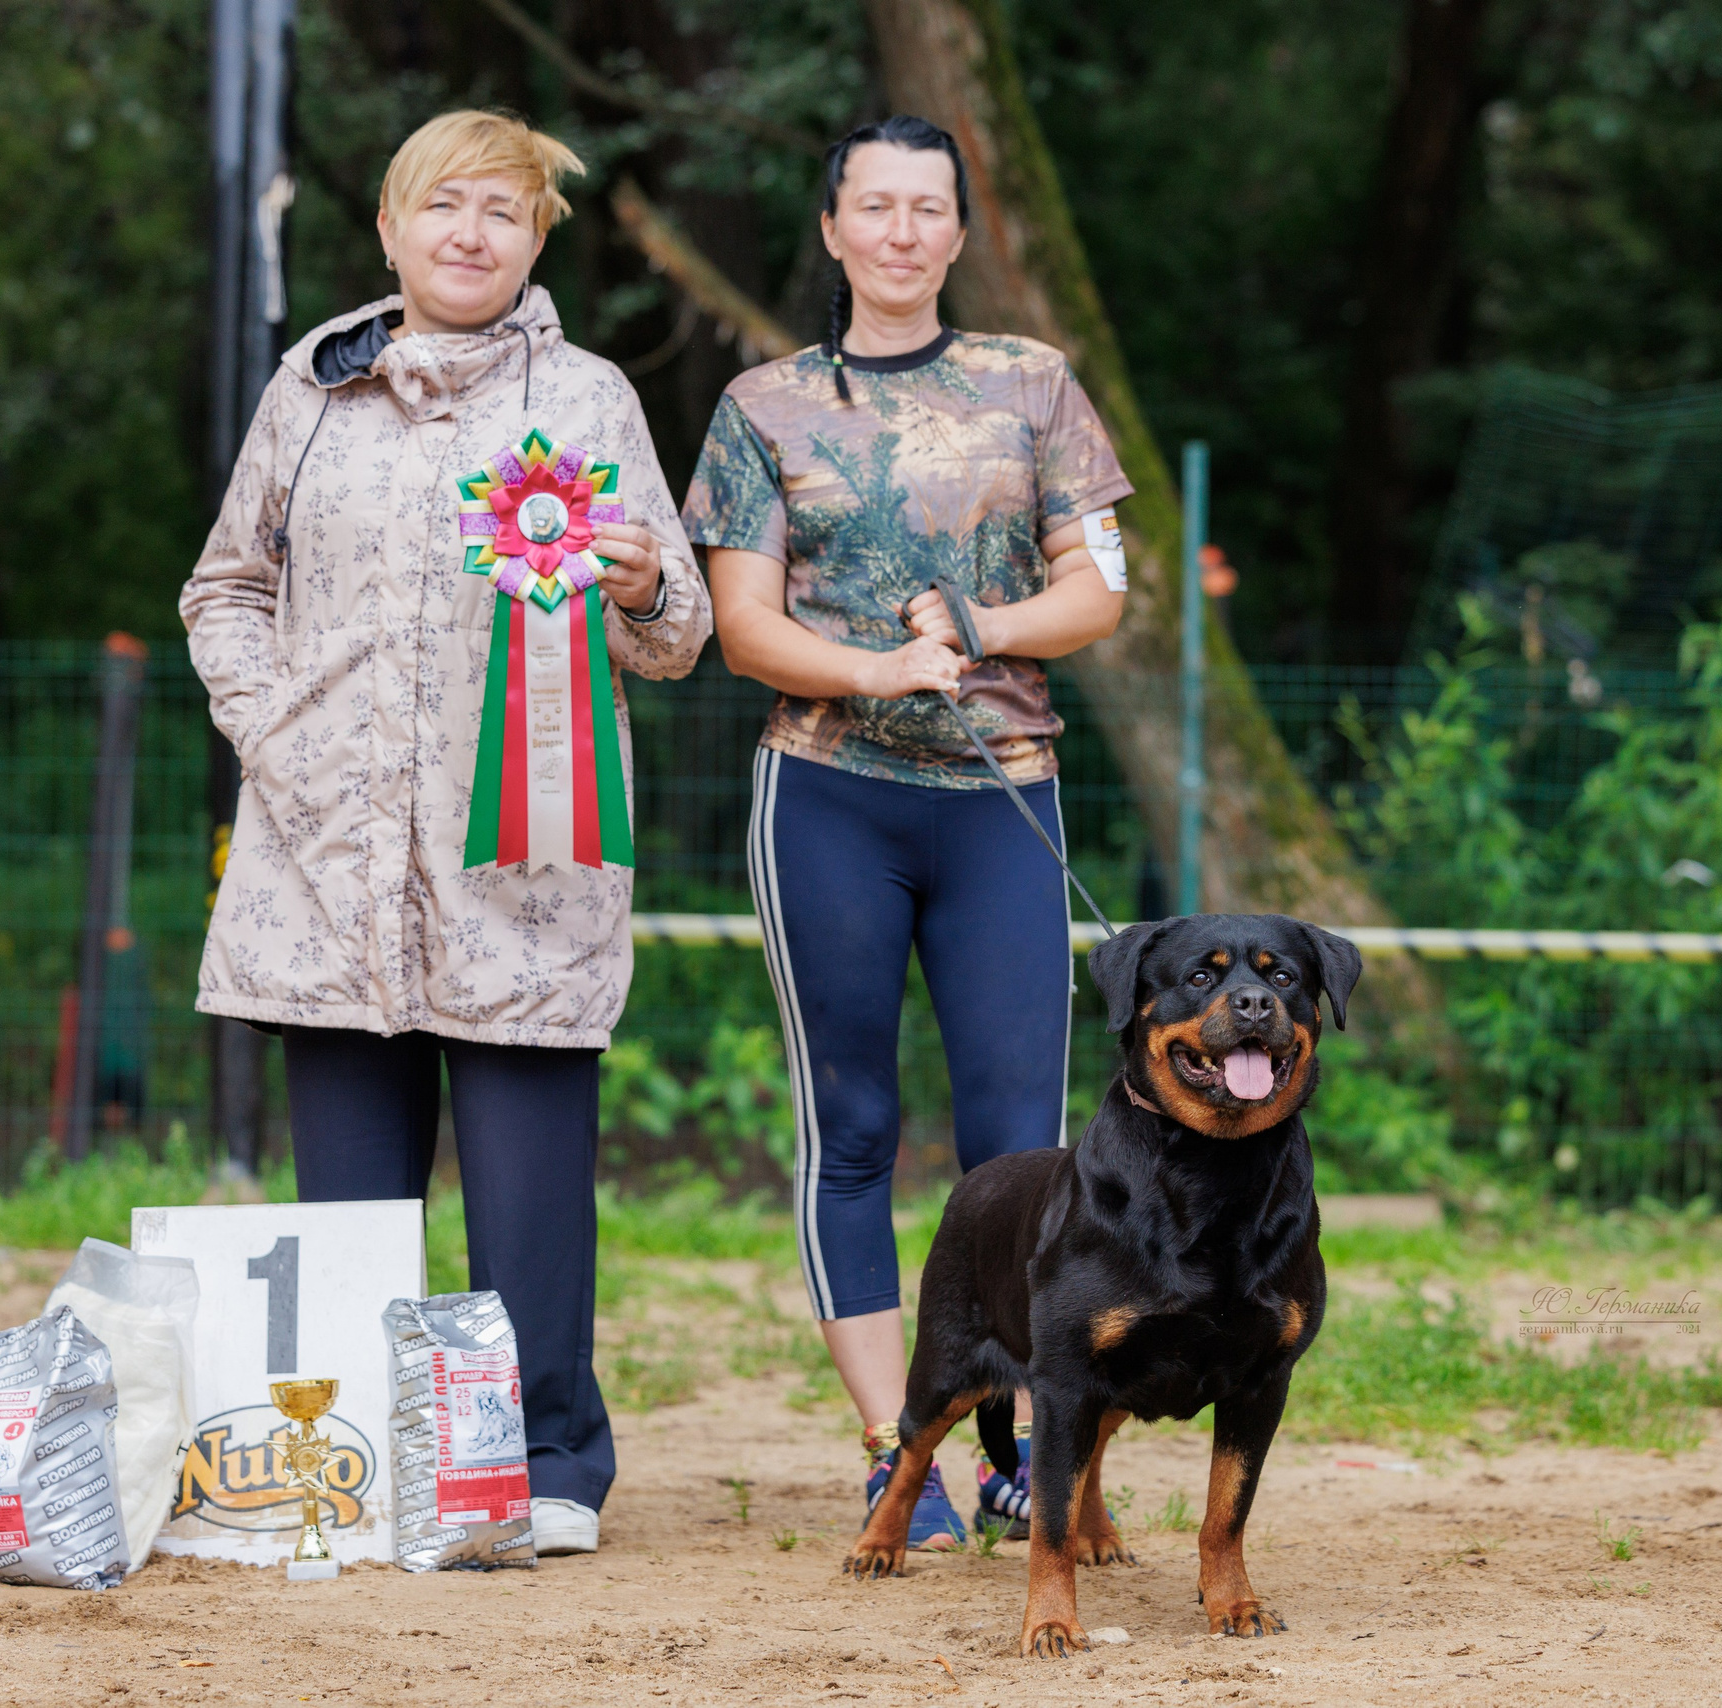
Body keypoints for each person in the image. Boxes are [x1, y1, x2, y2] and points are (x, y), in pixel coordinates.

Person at [179, 109, 712, 1557]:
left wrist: (650, 579)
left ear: (541, 239)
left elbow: (679, 642)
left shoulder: (593, 396)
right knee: (352, 1213)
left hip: (522, 873)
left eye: (506, 211)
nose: (472, 232)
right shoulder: (310, 384)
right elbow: (223, 585)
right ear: (394, 228)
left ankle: (547, 1464)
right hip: (324, 861)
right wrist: (268, 727)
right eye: (445, 205)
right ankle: (353, 1458)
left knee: (531, 1207)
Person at [682, 115, 1134, 1549]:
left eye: (925, 208)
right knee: (855, 1127)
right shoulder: (764, 405)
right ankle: (896, 1450)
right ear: (832, 231)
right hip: (826, 796)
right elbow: (745, 631)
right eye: (871, 207)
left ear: (955, 231)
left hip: (1002, 790)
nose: (898, 231)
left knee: (1020, 1147)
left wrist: (985, 629)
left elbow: (1102, 593)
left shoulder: (1033, 385)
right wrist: (878, 669)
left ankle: (1023, 1447)